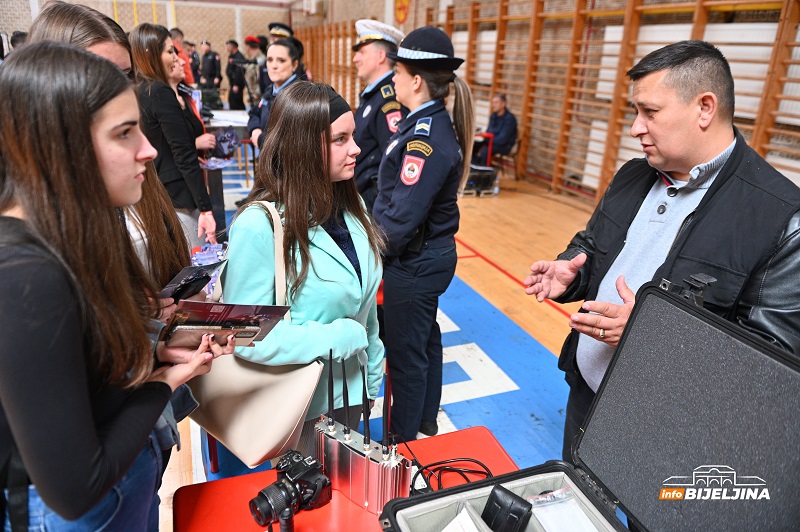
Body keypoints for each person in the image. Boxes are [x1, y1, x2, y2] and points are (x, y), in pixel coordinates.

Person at [523, 40, 800, 463]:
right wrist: (573, 270)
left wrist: (652, 335)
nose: (636, 127)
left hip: (665, 433)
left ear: (704, 108)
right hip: (586, 396)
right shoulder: (634, 175)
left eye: (649, 112)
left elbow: (769, 366)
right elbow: (595, 244)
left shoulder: (779, 216)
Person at [0, 41, 233, 530]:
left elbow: (75, 368)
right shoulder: (26, 278)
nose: (148, 149)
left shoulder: (64, 233)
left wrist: (155, 353)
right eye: (124, 133)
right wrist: (165, 380)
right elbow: (75, 487)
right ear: (63, 147)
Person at [223, 81, 385, 458]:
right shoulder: (259, 226)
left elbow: (365, 308)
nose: (356, 149)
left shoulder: (352, 206)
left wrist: (372, 376)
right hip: (300, 405)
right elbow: (247, 334)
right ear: (304, 147)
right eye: (340, 139)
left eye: (353, 136)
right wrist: (335, 337)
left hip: (352, 394)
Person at [27, 0, 192, 289]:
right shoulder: (34, 236)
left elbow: (170, 266)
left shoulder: (135, 168)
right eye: (101, 76)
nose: (118, 90)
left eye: (125, 75)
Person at [373, 27, 475, 443]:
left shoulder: (426, 139)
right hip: (425, 256)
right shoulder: (421, 125)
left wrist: (368, 251)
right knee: (424, 340)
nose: (392, 79)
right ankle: (425, 422)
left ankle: (401, 441)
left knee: (405, 355)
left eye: (397, 72)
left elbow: (402, 215)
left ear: (416, 81)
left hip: (415, 260)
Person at [131, 23, 218, 249]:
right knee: (194, 257)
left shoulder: (140, 89)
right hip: (178, 194)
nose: (176, 58)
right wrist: (206, 208)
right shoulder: (159, 91)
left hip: (157, 190)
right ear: (150, 53)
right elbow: (183, 154)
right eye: (170, 51)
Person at [351, 19, 406, 212]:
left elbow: (393, 160)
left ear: (381, 56)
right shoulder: (373, 95)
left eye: (362, 52)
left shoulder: (388, 101)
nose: (355, 58)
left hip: (373, 202)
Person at [247, 38, 303, 148]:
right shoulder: (270, 90)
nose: (274, 66)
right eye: (269, 60)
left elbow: (291, 140)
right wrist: (255, 129)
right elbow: (255, 113)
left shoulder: (300, 96)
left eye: (281, 60)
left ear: (294, 65)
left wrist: (260, 139)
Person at [473, 93, 517, 166]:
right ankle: (474, 167)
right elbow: (488, 132)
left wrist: (487, 142)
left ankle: (484, 171)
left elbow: (502, 140)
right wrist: (486, 141)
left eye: (496, 102)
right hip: (491, 142)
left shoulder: (509, 119)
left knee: (485, 151)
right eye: (493, 102)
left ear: (503, 104)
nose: (494, 105)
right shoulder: (493, 116)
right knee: (473, 146)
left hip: (504, 146)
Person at [243, 34, 266, 106]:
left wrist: (257, 93)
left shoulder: (260, 60)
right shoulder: (251, 59)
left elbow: (262, 78)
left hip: (257, 97)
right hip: (251, 95)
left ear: (248, 47)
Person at [225, 39, 246, 110]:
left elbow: (239, 72)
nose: (227, 48)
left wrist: (236, 84)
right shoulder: (231, 56)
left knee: (237, 102)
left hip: (237, 84)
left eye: (229, 46)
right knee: (232, 100)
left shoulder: (239, 57)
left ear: (233, 47)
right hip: (232, 83)